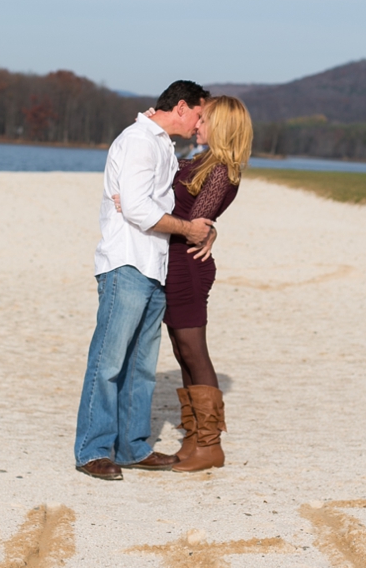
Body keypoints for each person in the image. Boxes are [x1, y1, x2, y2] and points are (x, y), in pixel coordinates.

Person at [74, 80, 215, 482]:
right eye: (200, 116)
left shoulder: (163, 146)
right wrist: (186, 229)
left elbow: (149, 204)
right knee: (109, 361)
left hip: (155, 266)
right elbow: (137, 207)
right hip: (127, 263)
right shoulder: (139, 140)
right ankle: (92, 450)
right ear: (182, 107)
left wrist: (194, 225)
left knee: (141, 366)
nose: (199, 124)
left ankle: (134, 447)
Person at [163, 96, 253, 472]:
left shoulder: (221, 169)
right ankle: (193, 435)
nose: (197, 124)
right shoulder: (201, 161)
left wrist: (206, 230)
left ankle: (210, 445)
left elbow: (197, 222)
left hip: (188, 266)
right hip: (176, 261)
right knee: (182, 352)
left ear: (223, 125)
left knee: (194, 351)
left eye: (205, 120)